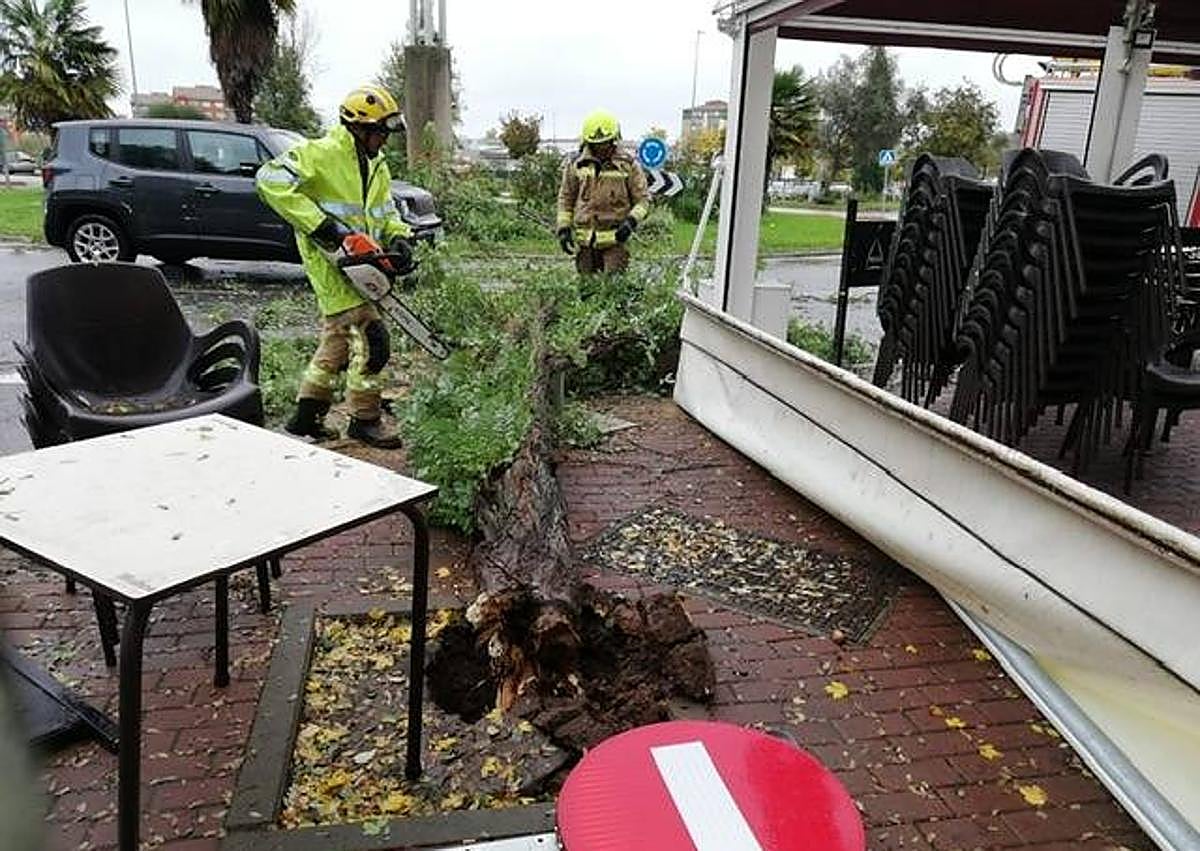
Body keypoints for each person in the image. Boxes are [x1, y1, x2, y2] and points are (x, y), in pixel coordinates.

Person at [256, 84, 415, 448]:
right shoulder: (321, 153)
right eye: (380, 133)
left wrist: (399, 238)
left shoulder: (375, 164)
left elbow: (384, 212)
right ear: (359, 128)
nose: (384, 141)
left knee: (338, 343)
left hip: (362, 259)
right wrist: (322, 225)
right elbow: (269, 180)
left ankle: (304, 419)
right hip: (331, 261)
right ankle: (364, 418)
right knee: (372, 339)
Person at [556, 109, 650, 274]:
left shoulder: (627, 165)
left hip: (615, 242)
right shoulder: (576, 164)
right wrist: (563, 228)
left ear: (614, 140)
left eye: (606, 143)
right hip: (585, 244)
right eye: (597, 144)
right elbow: (566, 198)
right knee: (586, 293)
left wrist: (631, 222)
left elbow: (643, 200)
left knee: (612, 291)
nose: (602, 148)